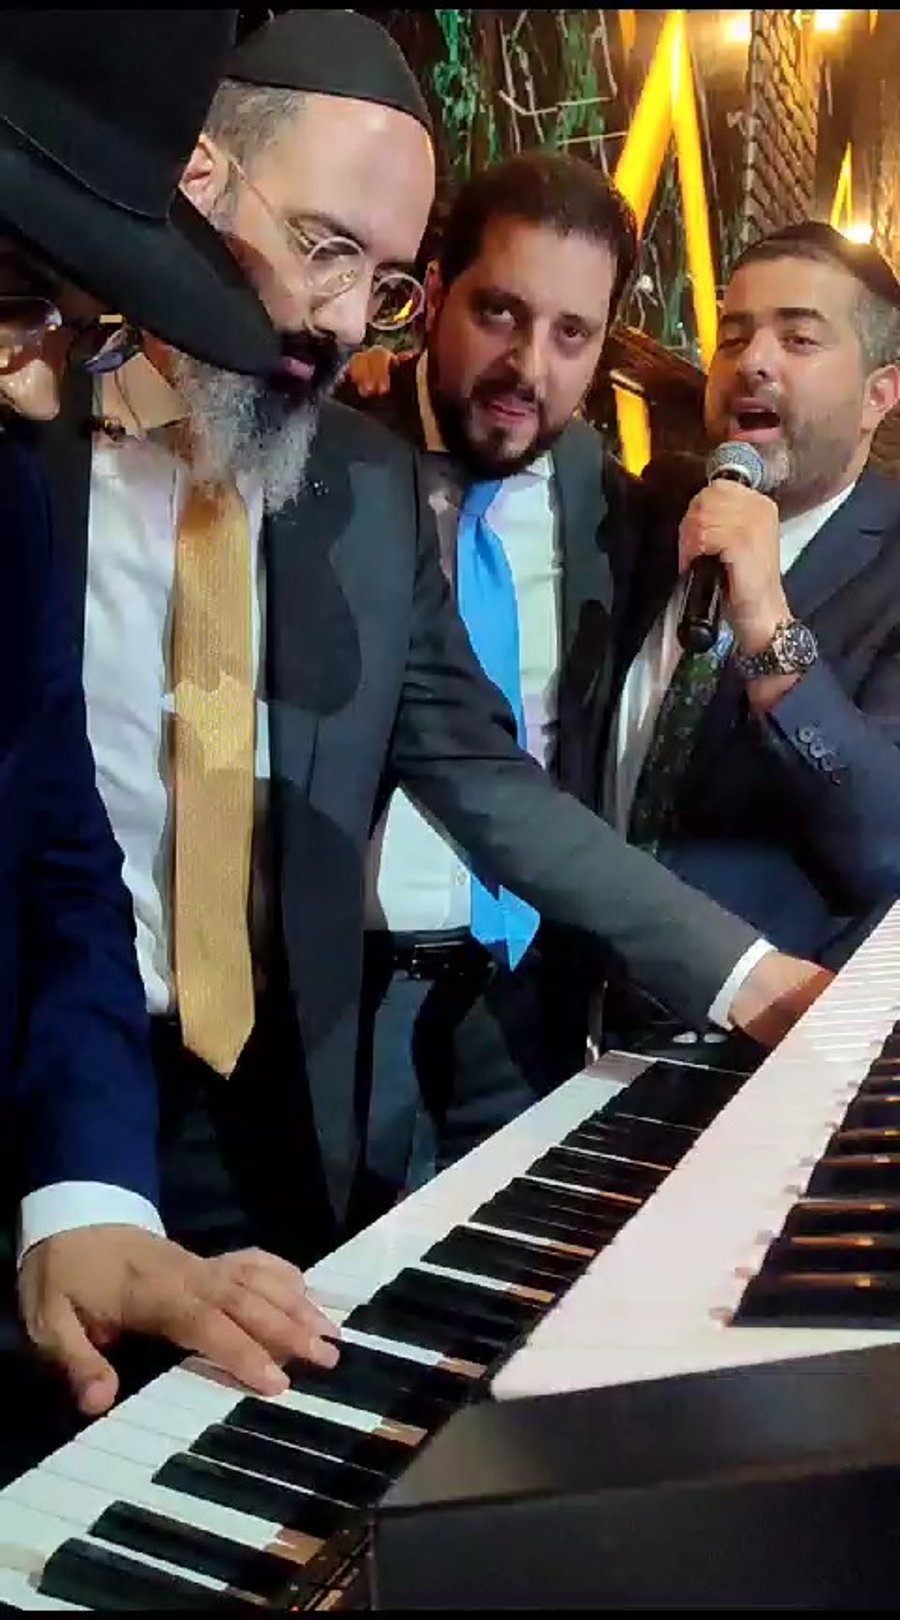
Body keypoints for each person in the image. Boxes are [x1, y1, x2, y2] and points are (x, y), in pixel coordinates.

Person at [44, 9, 829, 1280]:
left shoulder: (362, 488)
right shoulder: (32, 426)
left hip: (272, 1122)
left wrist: (745, 978)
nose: (346, 319)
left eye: (384, 282)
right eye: (325, 249)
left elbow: (484, 772)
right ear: (199, 177)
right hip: (40, 1098)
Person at [0, 8, 338, 1489]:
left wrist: (86, 1197)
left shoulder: (7, 503)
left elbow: (61, 849)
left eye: (73, 327)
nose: (37, 381)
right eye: (14, 293)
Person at [336, 150, 677, 1197]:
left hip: (527, 1004)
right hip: (344, 1001)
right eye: (500, 313)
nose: (529, 366)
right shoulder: (329, 455)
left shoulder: (613, 507)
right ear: (436, 293)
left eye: (572, 334)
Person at [604, 220, 900, 997]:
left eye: (799, 340)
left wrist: (768, 626)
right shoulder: (657, 507)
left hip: (756, 1037)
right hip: (557, 1019)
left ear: (878, 395)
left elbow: (888, 843)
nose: (753, 362)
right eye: (734, 336)